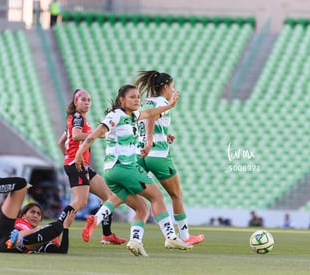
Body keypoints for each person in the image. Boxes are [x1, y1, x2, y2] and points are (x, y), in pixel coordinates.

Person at [75, 84, 192, 256]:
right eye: (132, 97)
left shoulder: (133, 116)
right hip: (123, 167)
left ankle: (126, 235)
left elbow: (151, 113)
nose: (137, 99)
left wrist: (170, 106)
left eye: (138, 96)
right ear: (121, 100)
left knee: (142, 208)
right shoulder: (116, 115)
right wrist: (79, 154)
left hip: (112, 173)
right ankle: (171, 236)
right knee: (157, 196)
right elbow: (96, 133)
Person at [133, 70, 204, 245]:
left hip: (139, 154)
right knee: (176, 195)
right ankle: (185, 237)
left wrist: (163, 136)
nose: (173, 90)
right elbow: (150, 120)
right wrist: (151, 142)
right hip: (158, 156)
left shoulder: (146, 101)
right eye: (172, 86)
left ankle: (109, 223)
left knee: (134, 197)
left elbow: (145, 124)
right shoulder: (162, 102)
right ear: (165, 87)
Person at [57, 89, 126, 245]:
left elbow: (61, 141)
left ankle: (107, 235)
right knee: (80, 202)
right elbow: (75, 135)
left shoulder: (76, 118)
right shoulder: (77, 118)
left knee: (108, 196)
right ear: (75, 102)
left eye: (89, 100)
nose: (87, 103)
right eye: (83, 100)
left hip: (79, 164)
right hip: (78, 164)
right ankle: (55, 230)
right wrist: (96, 134)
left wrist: (68, 157)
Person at [0, 165, 75, 253]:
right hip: (1, 230)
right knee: (21, 182)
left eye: (39, 214)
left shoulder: (40, 237)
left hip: (10, 245)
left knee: (58, 226)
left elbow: (62, 250)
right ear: (23, 215)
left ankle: (20, 240)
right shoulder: (18, 221)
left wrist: (65, 228)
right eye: (32, 212)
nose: (35, 215)